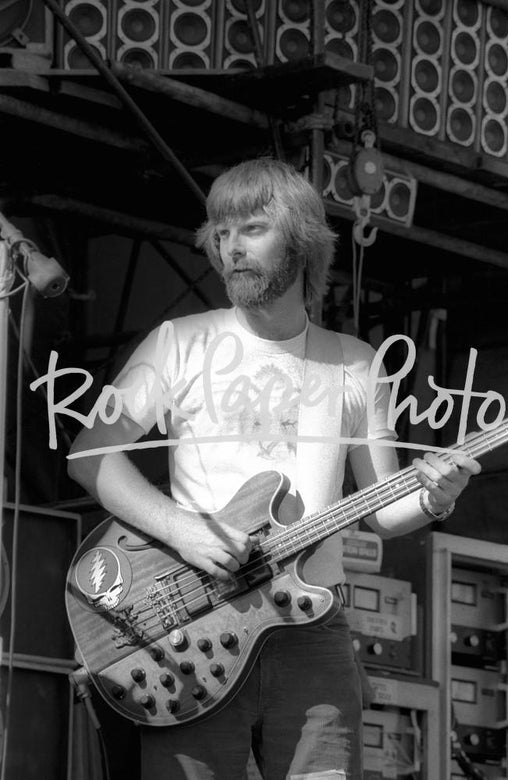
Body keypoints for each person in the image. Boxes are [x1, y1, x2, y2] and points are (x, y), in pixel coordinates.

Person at [68, 158, 481, 780]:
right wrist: (184, 530)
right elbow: (87, 456)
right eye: (221, 233)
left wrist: (436, 497)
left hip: (313, 628)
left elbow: (386, 509)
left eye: (252, 229)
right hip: (202, 623)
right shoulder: (181, 341)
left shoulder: (356, 364)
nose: (231, 248)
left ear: (302, 239)